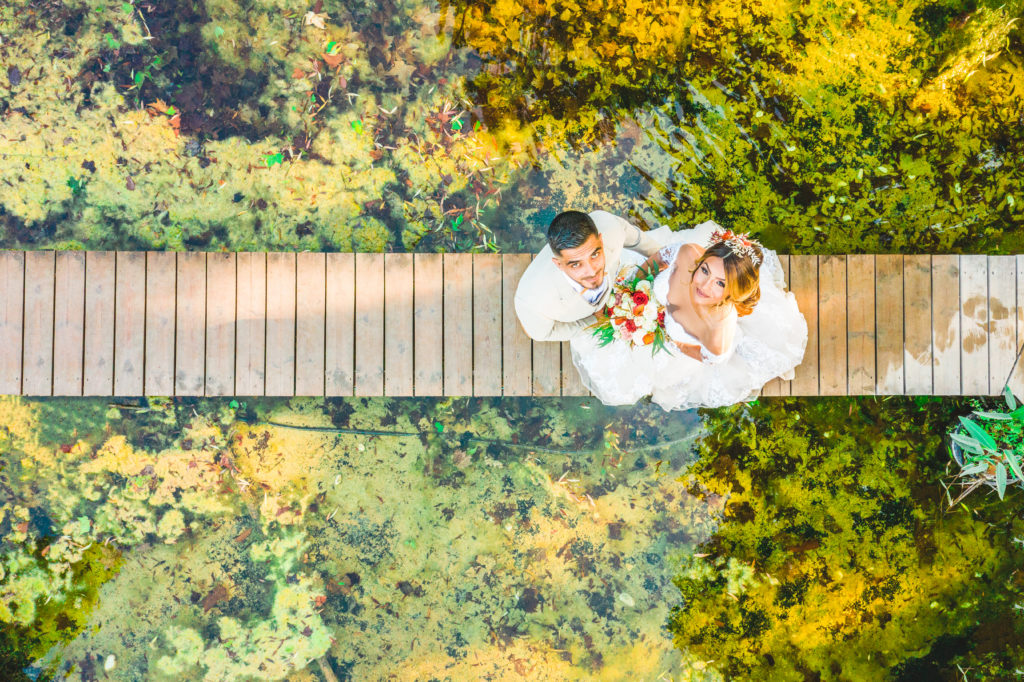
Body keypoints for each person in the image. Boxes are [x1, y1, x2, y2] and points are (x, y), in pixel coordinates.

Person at [569, 221, 807, 410]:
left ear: (731, 293)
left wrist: (678, 344)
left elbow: (709, 358)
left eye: (720, 283)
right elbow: (658, 259)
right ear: (700, 261)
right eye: (705, 270)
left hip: (671, 343)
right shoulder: (687, 254)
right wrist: (632, 287)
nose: (704, 285)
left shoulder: (718, 331)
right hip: (645, 306)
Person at [514, 210, 662, 342]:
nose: (591, 272)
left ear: (601, 240)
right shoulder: (532, 301)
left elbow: (637, 240)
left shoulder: (610, 226)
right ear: (559, 264)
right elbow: (543, 333)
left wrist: (663, 258)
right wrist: (594, 321)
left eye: (595, 254)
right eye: (576, 265)